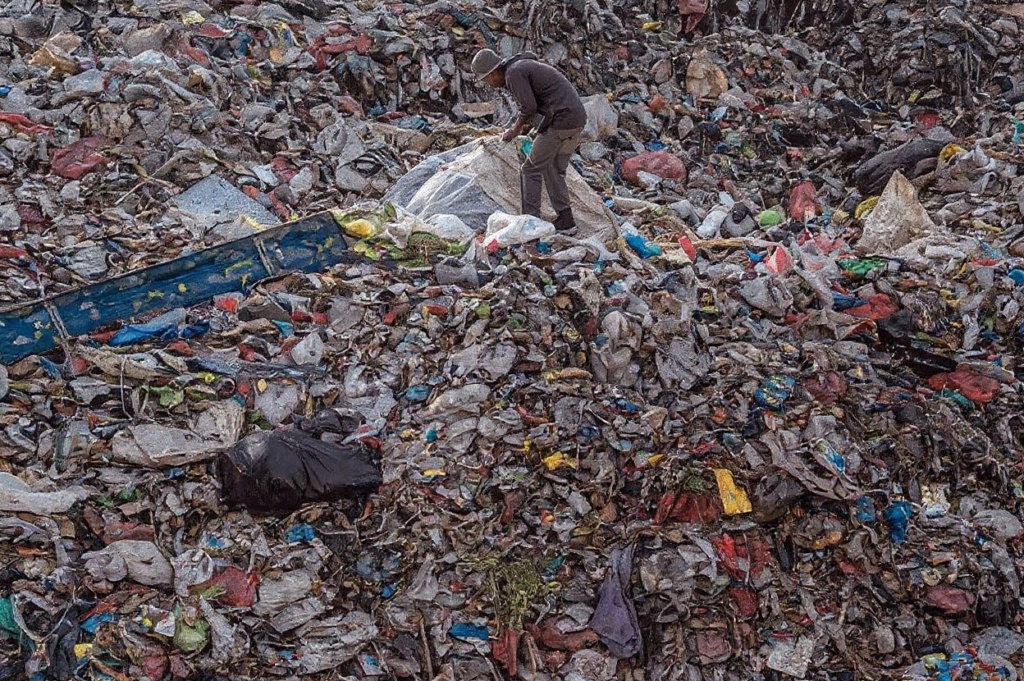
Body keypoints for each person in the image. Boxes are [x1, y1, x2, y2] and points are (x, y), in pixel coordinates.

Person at [471, 48, 587, 231]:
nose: (490, 84)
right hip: (576, 119)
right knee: (552, 168)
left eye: (487, 79)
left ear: (493, 73)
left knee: (529, 169)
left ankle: (529, 222)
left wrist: (514, 130)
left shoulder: (513, 73)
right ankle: (566, 221)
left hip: (561, 121)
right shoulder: (522, 66)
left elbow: (529, 107)